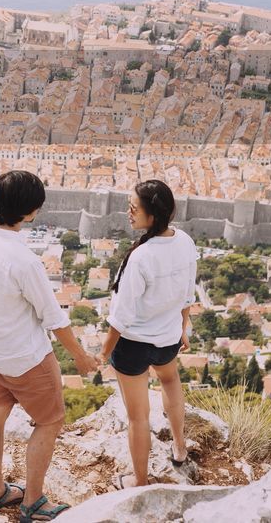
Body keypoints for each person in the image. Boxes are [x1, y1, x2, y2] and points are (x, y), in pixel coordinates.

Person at [0, 170, 98, 522]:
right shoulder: (23, 260)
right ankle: (32, 501)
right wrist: (81, 357)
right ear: (30, 211)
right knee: (50, 421)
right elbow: (54, 318)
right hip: (27, 357)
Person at [99, 179, 199, 489]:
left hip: (133, 346)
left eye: (133, 208)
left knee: (138, 417)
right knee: (170, 381)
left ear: (152, 216)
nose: (128, 213)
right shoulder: (185, 242)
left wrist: (103, 355)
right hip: (168, 337)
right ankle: (180, 448)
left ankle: (139, 481)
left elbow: (122, 318)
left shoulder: (141, 257)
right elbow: (187, 296)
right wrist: (182, 330)